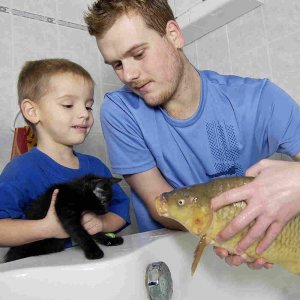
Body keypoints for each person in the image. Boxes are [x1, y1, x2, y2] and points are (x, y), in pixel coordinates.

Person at [84, 0, 300, 269]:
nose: (129, 75)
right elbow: (158, 203)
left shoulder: (261, 100)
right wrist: (226, 229)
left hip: (260, 252)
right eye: (116, 64)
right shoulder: (120, 111)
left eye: (138, 54)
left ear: (173, 34)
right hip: (170, 261)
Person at [0, 58, 130, 248]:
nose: (85, 114)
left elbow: (120, 209)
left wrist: (102, 223)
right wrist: (46, 228)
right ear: (32, 111)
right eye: (68, 105)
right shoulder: (21, 170)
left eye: (88, 106)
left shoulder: (95, 167)